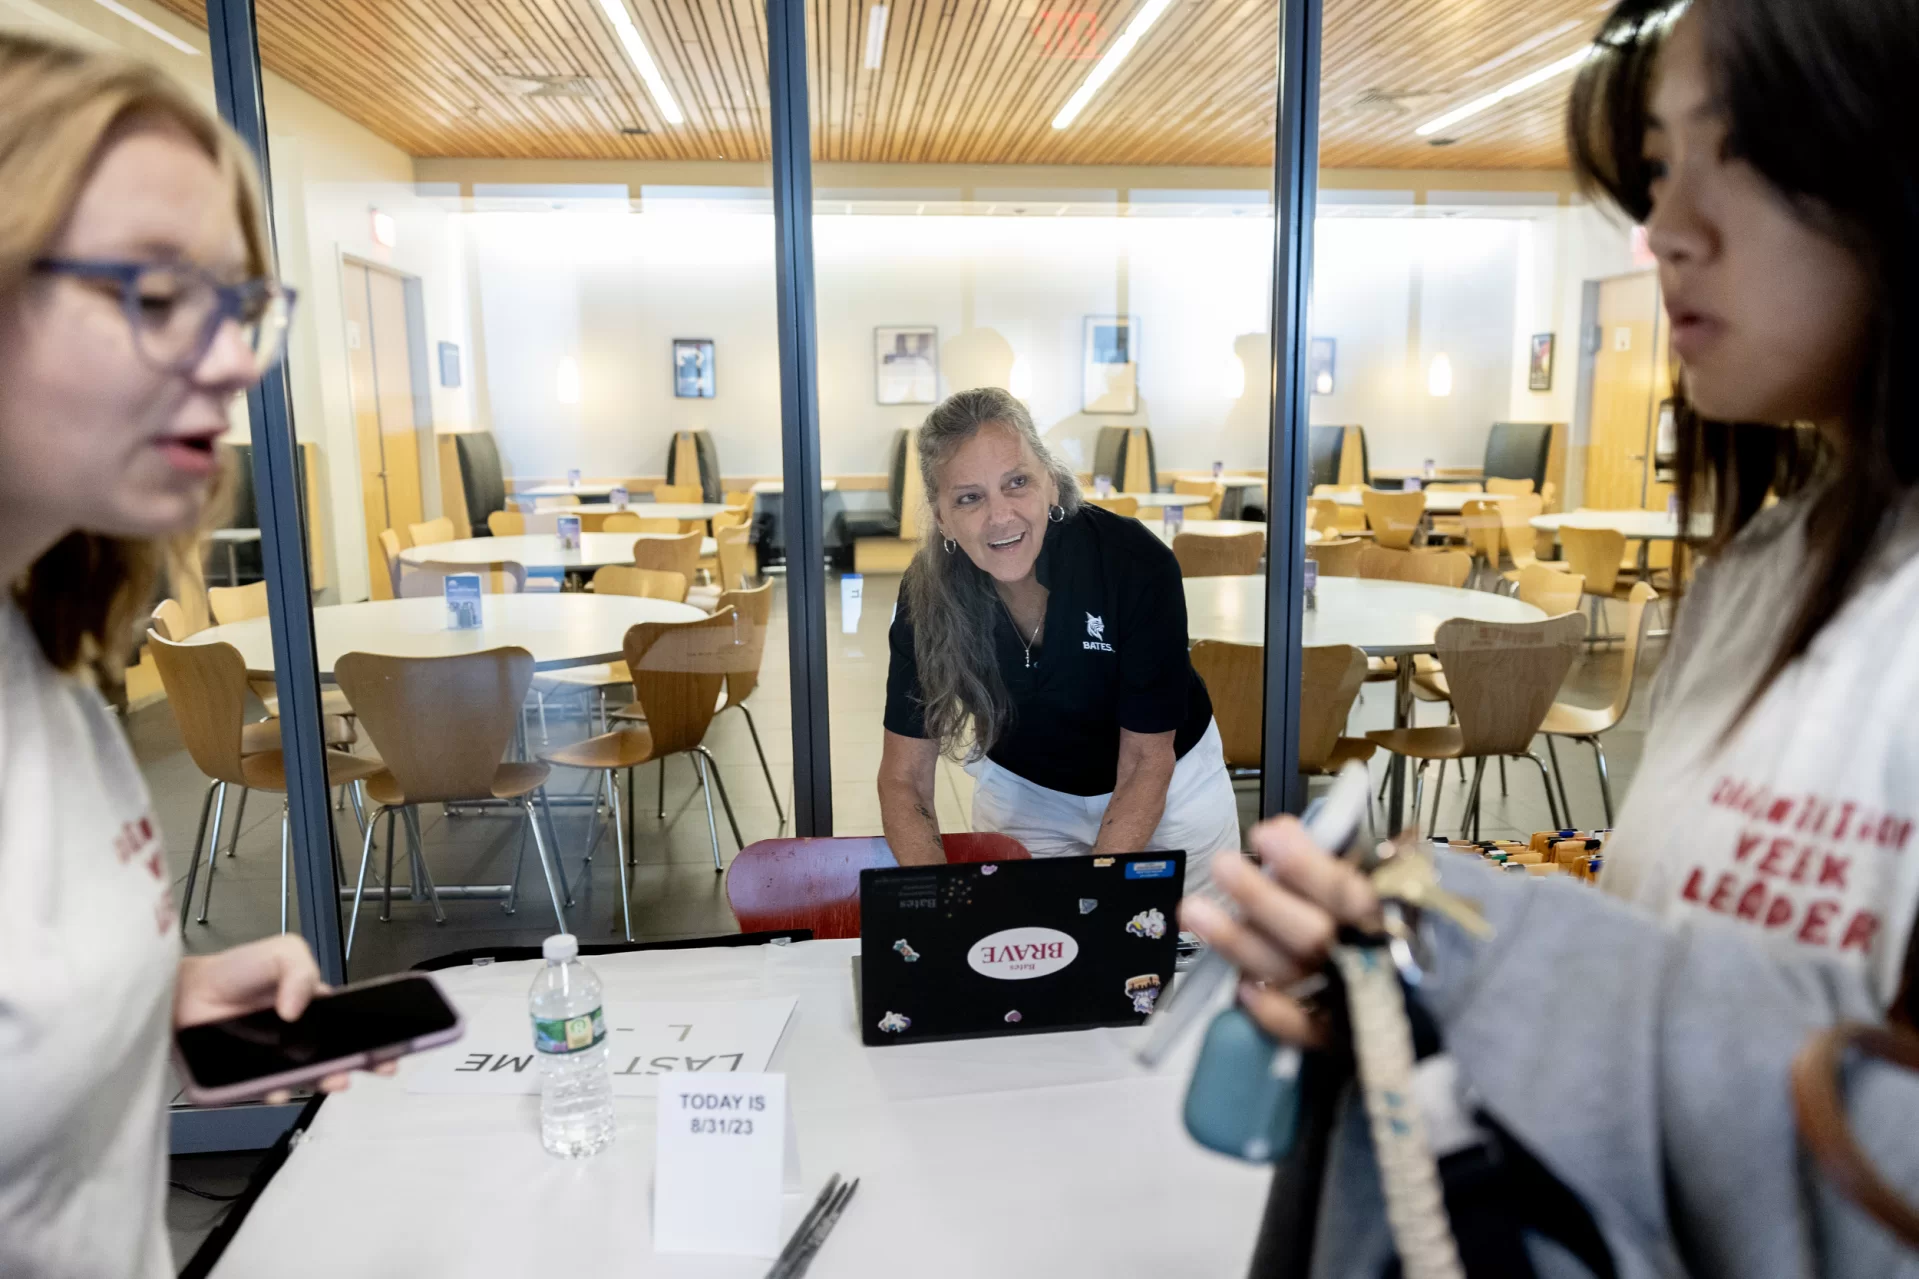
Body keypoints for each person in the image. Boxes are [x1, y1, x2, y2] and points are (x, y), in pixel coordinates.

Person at [1182, 0, 1919, 1273]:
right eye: (1653, 168)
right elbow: (1659, 1012)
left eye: (1731, 152)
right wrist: (1407, 967)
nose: (1663, 233)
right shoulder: (1759, 572)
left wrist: (1496, 957)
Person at [0, 35, 381, 1278]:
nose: (230, 360)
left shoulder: (48, 652)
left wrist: (160, 1010)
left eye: (239, 304)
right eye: (157, 296)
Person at [878, 387, 1239, 868]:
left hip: (1169, 786)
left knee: (1190, 940)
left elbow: (1146, 761)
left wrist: (1093, 895)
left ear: (1050, 481)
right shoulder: (926, 595)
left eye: (1017, 482)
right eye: (969, 498)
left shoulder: (1132, 563)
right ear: (942, 517)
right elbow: (905, 779)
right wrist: (939, 900)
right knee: (1025, 934)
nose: (1000, 515)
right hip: (1027, 795)